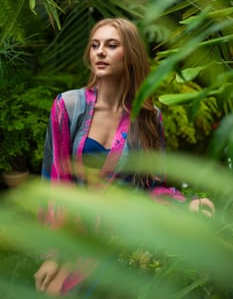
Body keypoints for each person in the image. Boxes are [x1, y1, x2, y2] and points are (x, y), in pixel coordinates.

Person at [34, 18, 215, 296]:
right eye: (95, 46)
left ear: (130, 54)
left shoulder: (148, 118)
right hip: (74, 241)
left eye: (111, 45)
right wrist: (52, 254)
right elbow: (55, 183)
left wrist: (187, 205)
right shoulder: (68, 106)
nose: (100, 52)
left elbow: (151, 187)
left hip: (121, 244)